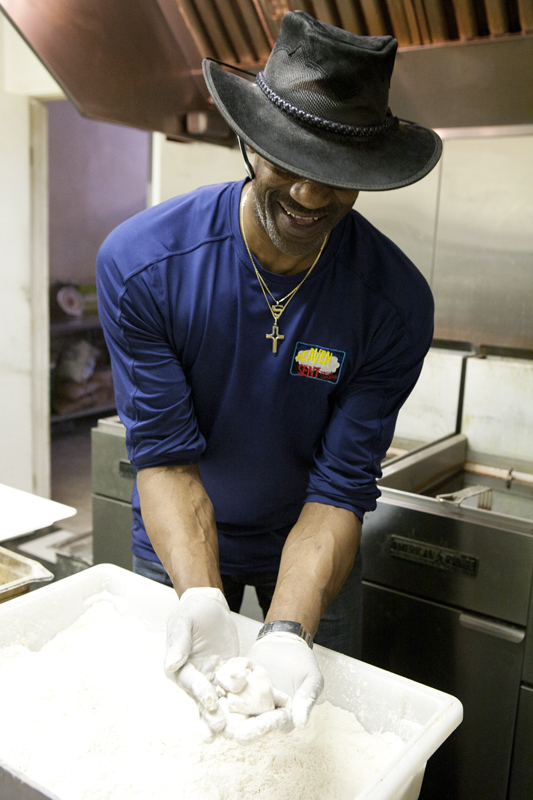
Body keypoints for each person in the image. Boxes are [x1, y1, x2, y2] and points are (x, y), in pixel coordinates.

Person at [96, 10, 440, 742]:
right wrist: (200, 596)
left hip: (311, 544)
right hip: (177, 541)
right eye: (288, 160)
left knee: (313, 735)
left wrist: (285, 631)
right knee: (174, 731)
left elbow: (341, 486)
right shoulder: (144, 265)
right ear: (250, 141)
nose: (310, 195)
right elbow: (165, 457)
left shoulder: (394, 303)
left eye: (337, 173)